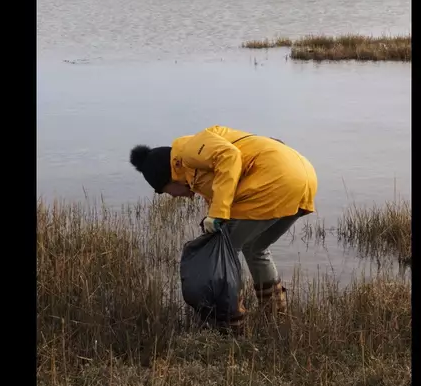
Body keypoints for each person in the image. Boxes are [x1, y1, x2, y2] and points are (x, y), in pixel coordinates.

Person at [129, 125, 318, 333]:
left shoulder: (189, 151)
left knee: (228, 250)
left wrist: (218, 213)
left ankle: (231, 323)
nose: (173, 197)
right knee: (255, 248)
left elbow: (230, 157)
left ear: (169, 178)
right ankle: (275, 315)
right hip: (302, 177)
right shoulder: (195, 167)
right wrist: (214, 214)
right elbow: (226, 182)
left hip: (275, 181)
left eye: (164, 192)